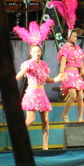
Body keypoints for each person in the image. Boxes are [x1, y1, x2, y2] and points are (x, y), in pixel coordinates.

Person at [14, 19, 58, 150]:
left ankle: (45, 147)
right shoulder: (28, 64)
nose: (37, 54)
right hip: (32, 93)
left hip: (41, 93)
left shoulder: (43, 64)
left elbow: (48, 80)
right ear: (31, 53)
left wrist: (58, 79)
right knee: (30, 120)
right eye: (34, 52)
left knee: (46, 120)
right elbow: (20, 75)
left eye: (38, 52)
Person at [48, 0, 84, 123]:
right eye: (74, 36)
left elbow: (80, 63)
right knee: (72, 95)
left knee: (80, 96)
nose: (76, 38)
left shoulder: (77, 49)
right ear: (69, 36)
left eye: (76, 36)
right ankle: (64, 114)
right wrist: (61, 73)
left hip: (76, 74)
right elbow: (63, 61)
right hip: (68, 74)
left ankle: (80, 118)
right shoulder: (65, 48)